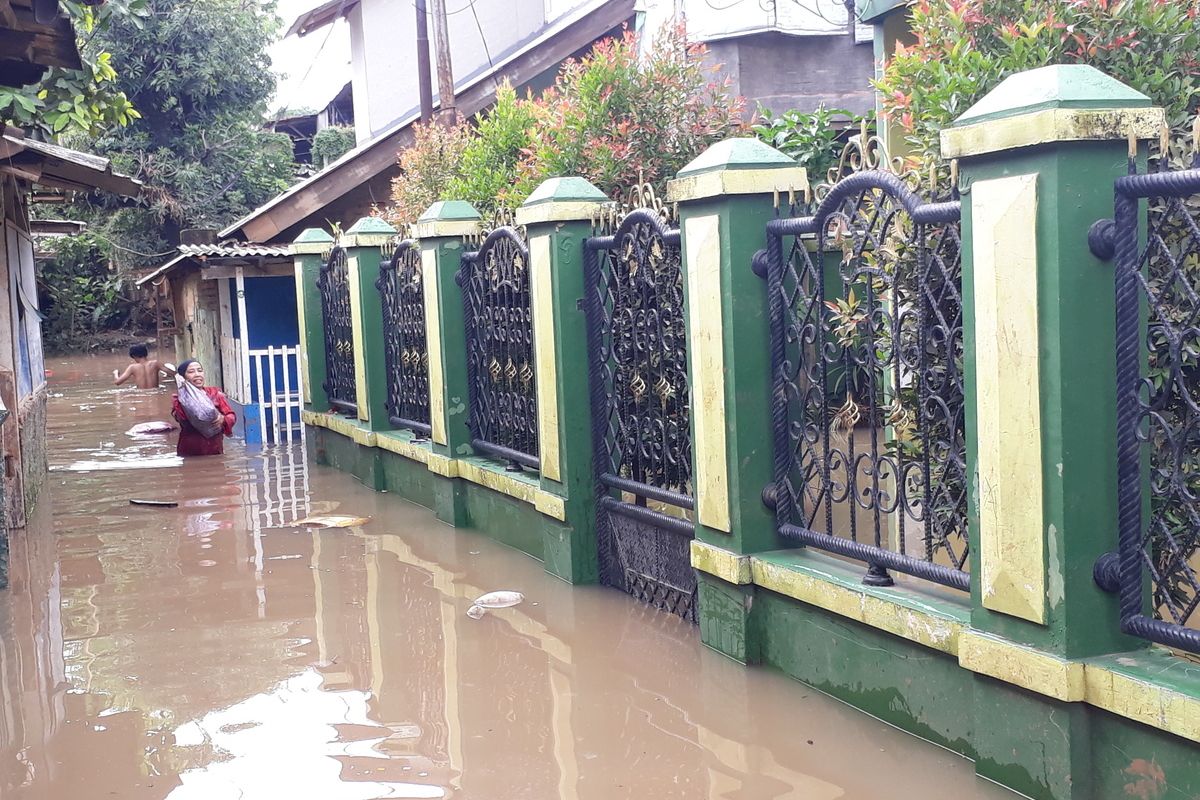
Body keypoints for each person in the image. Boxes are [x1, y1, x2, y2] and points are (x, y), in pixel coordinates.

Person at [171, 359, 235, 456]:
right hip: (190, 452)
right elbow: (180, 418)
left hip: (214, 449)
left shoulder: (215, 393)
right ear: (183, 377)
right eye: (191, 372)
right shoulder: (180, 399)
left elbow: (231, 415)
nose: (197, 374)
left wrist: (223, 419)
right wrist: (183, 393)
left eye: (200, 370)